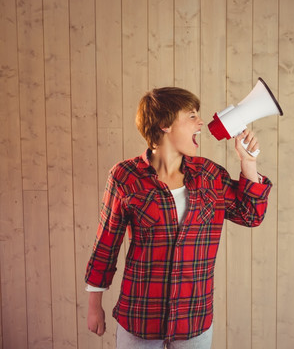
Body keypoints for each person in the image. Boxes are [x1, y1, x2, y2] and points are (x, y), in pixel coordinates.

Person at [85, 87, 272, 348]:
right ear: (164, 124)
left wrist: (248, 164)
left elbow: (251, 215)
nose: (201, 123)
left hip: (193, 318)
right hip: (140, 316)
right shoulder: (124, 176)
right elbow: (106, 243)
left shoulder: (209, 175)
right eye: (192, 116)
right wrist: (95, 307)